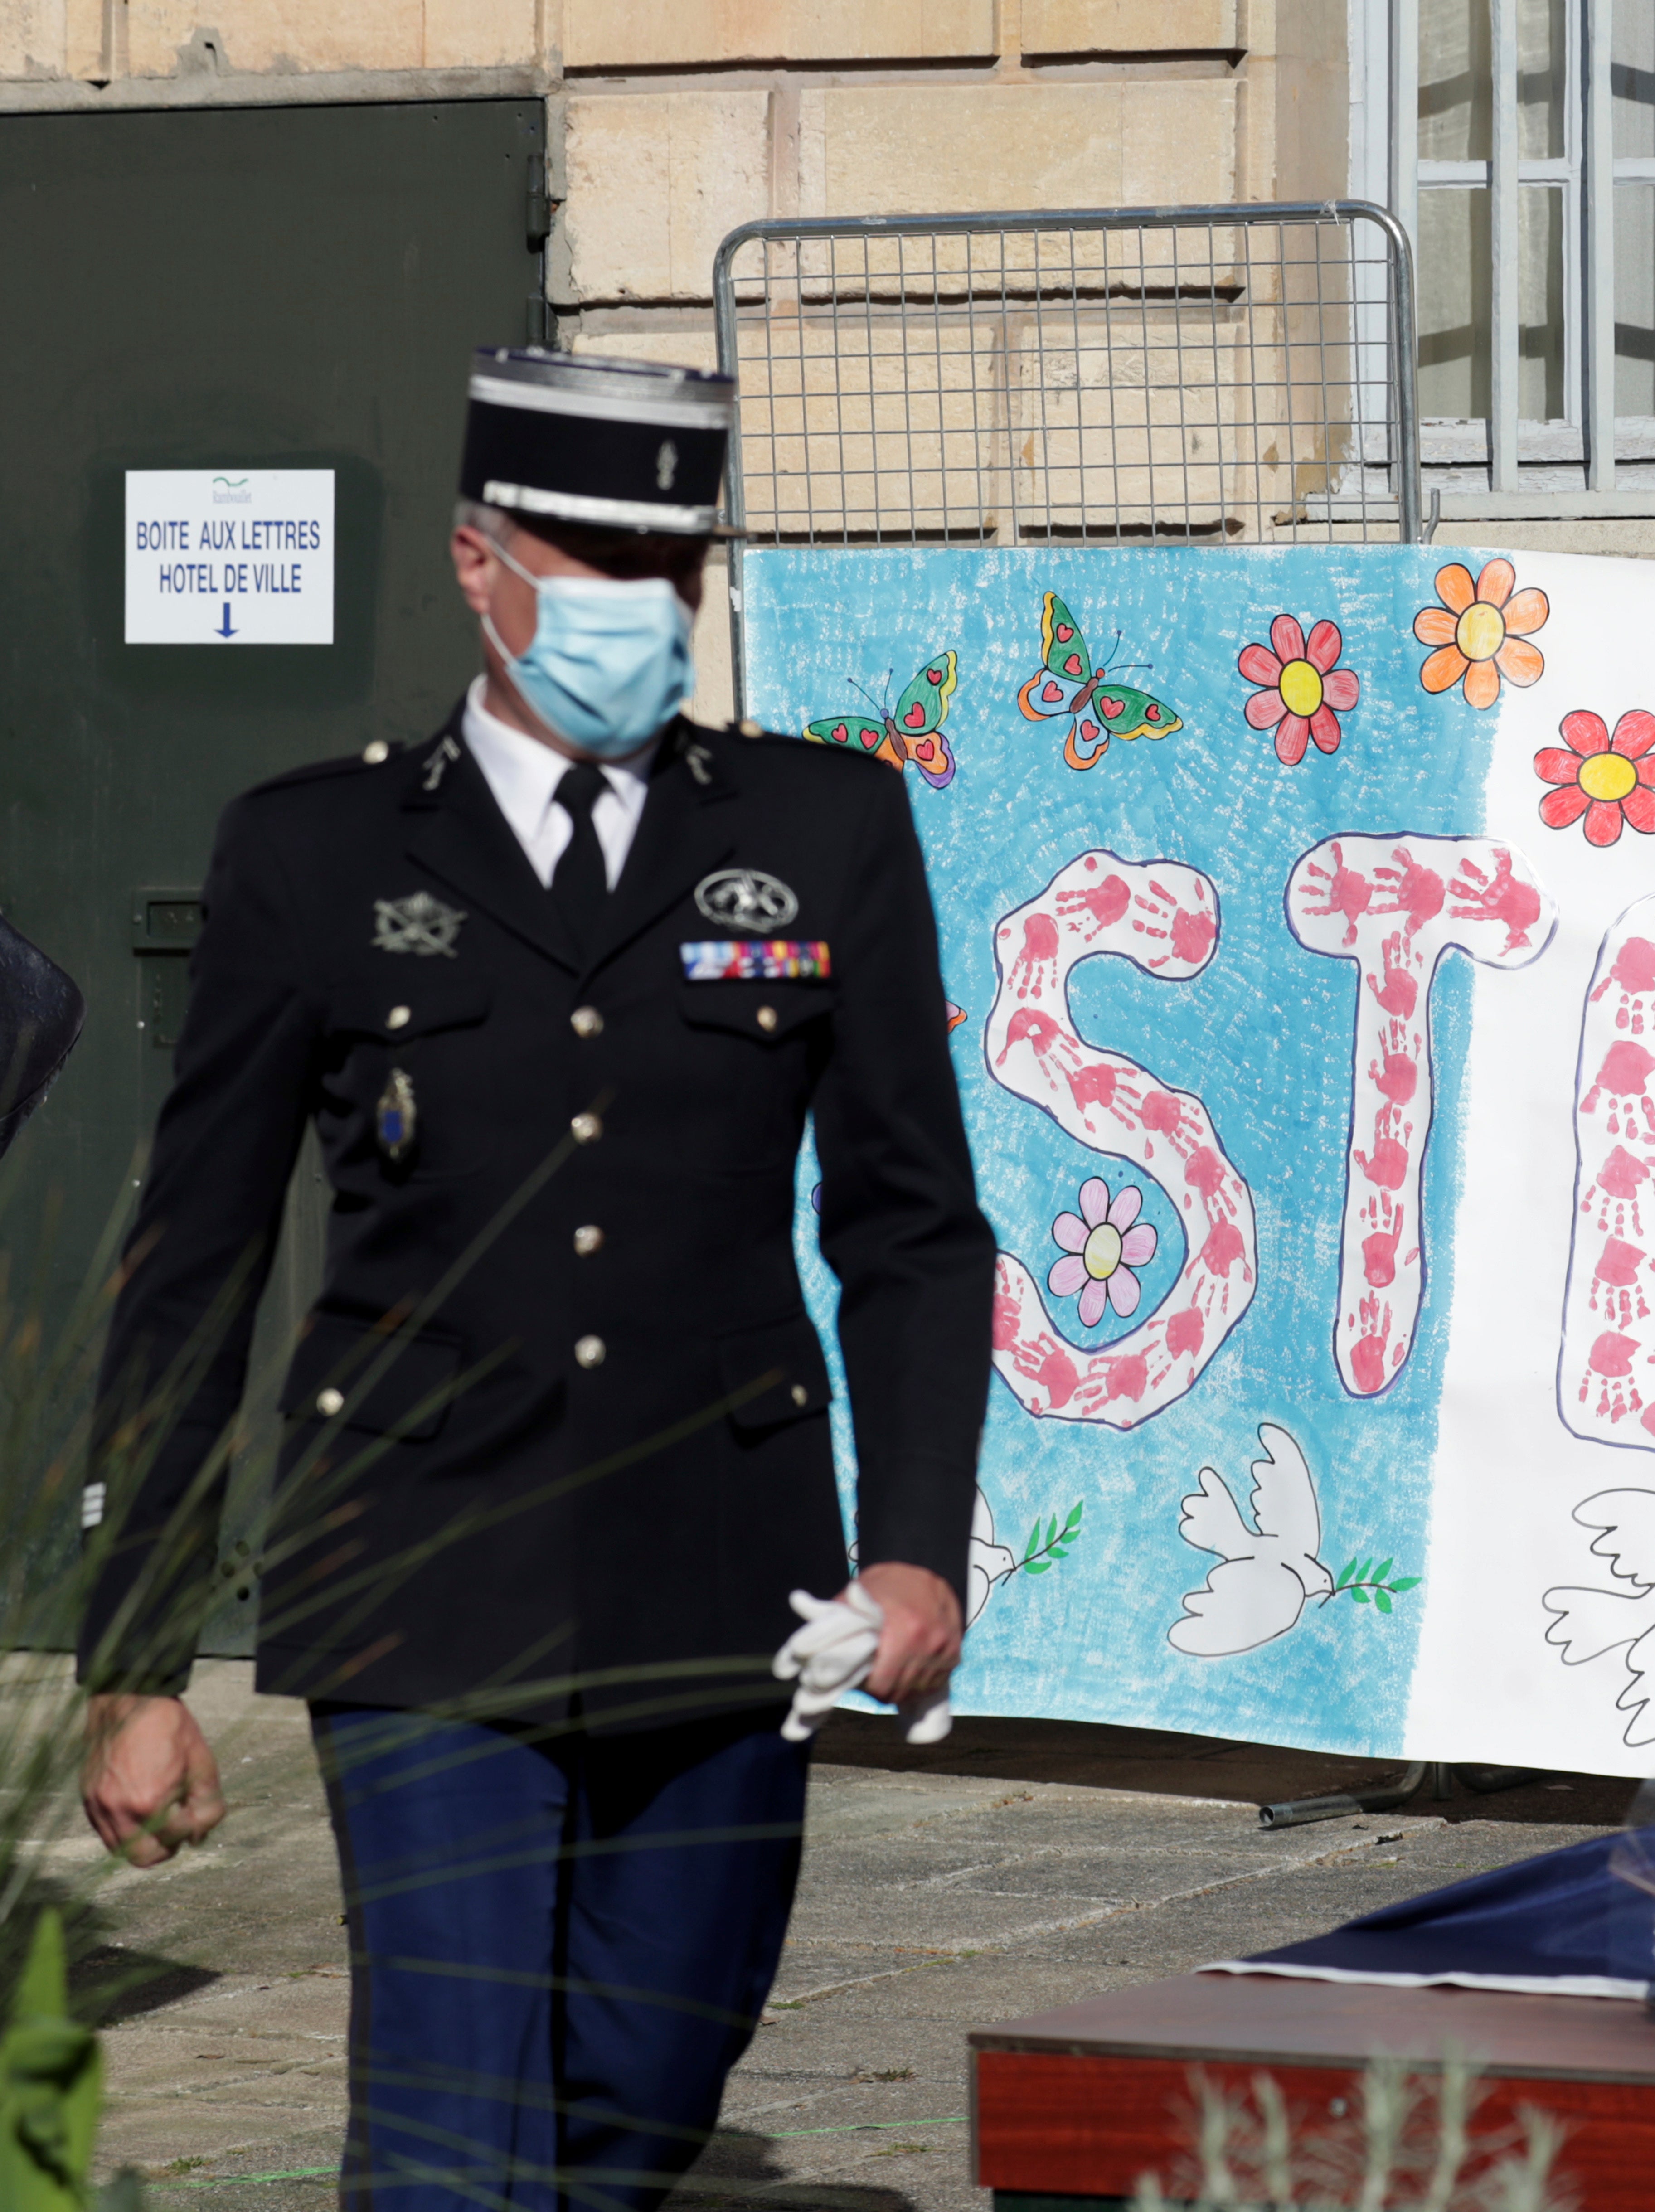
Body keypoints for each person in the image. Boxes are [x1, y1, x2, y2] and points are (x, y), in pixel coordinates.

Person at [73, 348, 995, 2211]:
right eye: (586, 568)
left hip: (719, 1568)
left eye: (674, 573)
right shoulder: (312, 852)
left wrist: (913, 1544)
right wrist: (136, 1659)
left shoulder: (821, 831)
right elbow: (197, 1266)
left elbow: (909, 1222)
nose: (636, 613)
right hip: (418, 1562)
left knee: (646, 2081)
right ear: (478, 564)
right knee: (446, 2100)